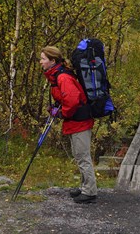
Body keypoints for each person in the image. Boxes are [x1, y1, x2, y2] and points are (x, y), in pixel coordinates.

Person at [39, 45, 97, 204]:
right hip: (75, 122)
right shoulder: (57, 75)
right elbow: (66, 99)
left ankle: (89, 191)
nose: (40, 62)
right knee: (79, 155)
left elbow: (72, 100)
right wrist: (57, 108)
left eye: (43, 59)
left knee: (82, 156)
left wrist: (61, 113)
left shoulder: (62, 77)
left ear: (52, 60)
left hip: (80, 122)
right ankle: (85, 186)